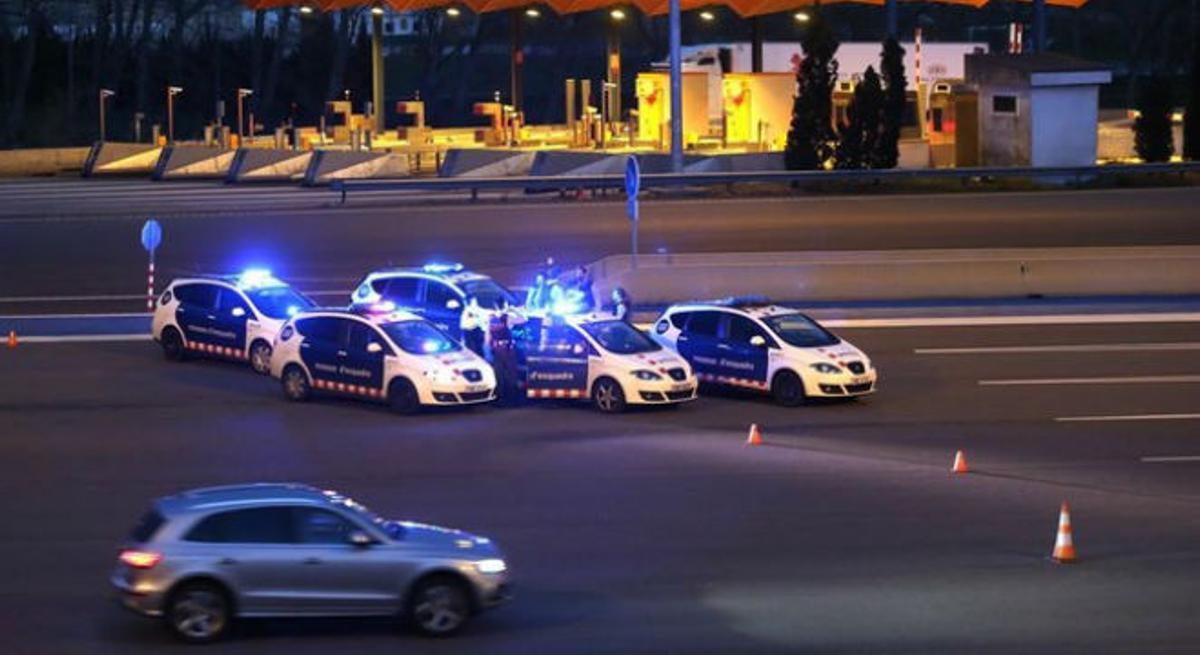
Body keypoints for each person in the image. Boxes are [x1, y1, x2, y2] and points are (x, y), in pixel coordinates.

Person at [488, 313, 520, 405]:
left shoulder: (499, 329)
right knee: (502, 375)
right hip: (502, 352)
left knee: (508, 375)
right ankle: (504, 397)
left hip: (505, 352)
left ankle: (509, 397)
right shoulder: (496, 329)